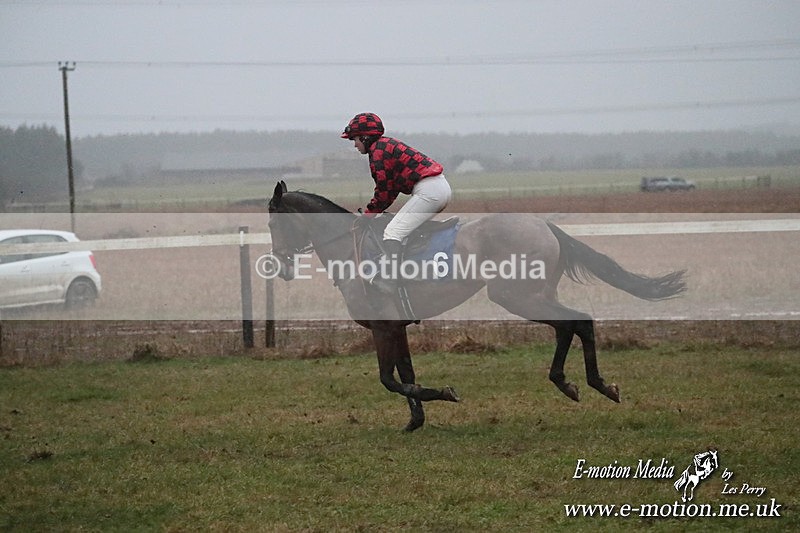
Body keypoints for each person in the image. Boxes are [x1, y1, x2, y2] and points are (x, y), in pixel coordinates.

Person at [341, 112, 452, 293]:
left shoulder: (378, 152)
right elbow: (390, 191)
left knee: (392, 232)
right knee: (402, 228)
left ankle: (391, 282)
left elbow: (384, 192)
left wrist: (368, 215)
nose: (354, 144)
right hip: (437, 187)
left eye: (355, 139)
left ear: (365, 137)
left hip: (430, 191)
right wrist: (373, 211)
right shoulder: (383, 146)